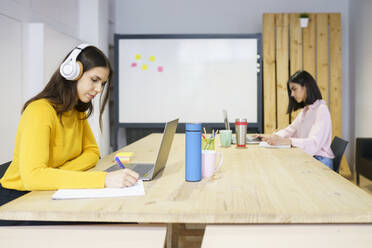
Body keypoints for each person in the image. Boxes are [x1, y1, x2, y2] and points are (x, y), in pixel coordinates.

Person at [0, 44, 139, 208]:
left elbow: (93, 152)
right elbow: (33, 177)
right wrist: (104, 179)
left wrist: (58, 173)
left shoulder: (76, 109)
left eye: (102, 83)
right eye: (94, 80)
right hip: (18, 199)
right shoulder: (39, 110)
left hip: (48, 190)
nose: (99, 89)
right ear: (72, 72)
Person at [259, 70, 335, 169]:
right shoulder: (306, 110)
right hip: (310, 157)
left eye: (294, 89)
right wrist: (272, 137)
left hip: (320, 160)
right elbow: (290, 130)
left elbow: (313, 144)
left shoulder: (321, 110)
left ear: (306, 87)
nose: (292, 94)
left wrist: (287, 141)